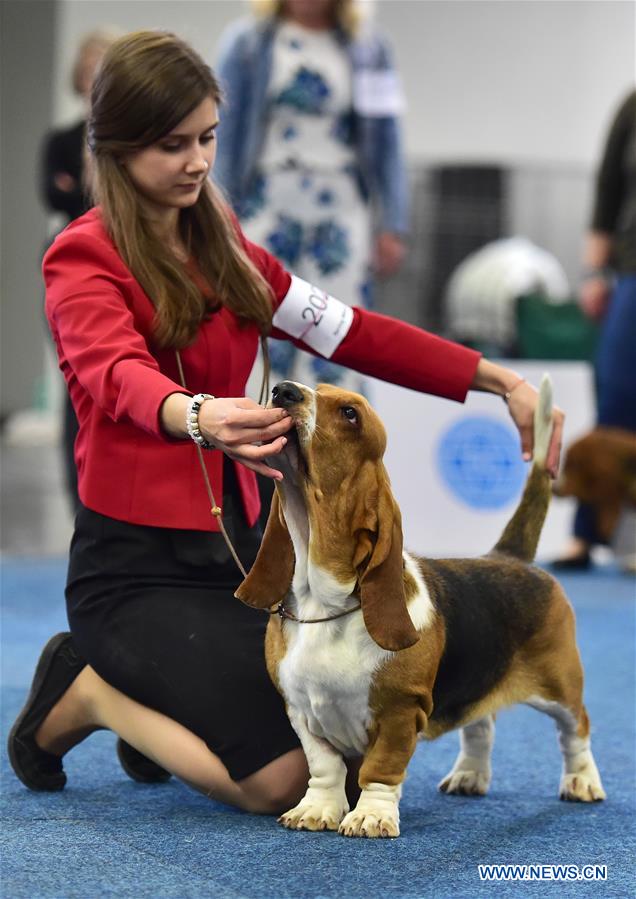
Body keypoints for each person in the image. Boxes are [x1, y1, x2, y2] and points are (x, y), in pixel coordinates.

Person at [8, 31, 563, 814]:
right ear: (117, 147)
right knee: (284, 782)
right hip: (131, 570)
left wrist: (495, 379)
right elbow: (114, 373)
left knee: (347, 734)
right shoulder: (80, 256)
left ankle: (161, 703)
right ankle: (92, 689)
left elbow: (355, 332)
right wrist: (197, 414)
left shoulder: (232, 252)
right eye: (173, 145)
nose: (199, 162)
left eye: (207, 138)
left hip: (238, 558)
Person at [214, 0, 408, 392]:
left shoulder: (370, 48)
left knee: (338, 330)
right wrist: (216, 212)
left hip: (340, 209)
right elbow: (224, 131)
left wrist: (393, 222)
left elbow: (388, 138)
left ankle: (334, 445)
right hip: (266, 204)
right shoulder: (247, 43)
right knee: (262, 323)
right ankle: (255, 440)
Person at [553, 88, 636, 569]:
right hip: (632, 269)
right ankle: (587, 534)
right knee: (618, 399)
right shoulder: (632, 105)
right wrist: (593, 272)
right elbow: (609, 192)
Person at [40, 28, 119, 510]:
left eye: (103, 71)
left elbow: (80, 194)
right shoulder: (62, 139)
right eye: (88, 72)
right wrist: (81, 190)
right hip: (72, 263)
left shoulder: (131, 143)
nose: (94, 81)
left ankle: (113, 497)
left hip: (126, 260)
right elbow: (55, 195)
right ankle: (80, 500)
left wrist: (80, 188)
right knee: (77, 386)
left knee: (117, 381)